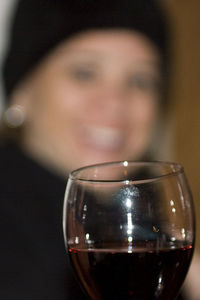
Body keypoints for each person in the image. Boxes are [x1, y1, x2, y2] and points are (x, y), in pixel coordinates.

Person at [0, 0, 188, 299]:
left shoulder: (147, 233)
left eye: (140, 80)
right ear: (21, 91)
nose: (115, 102)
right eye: (85, 73)